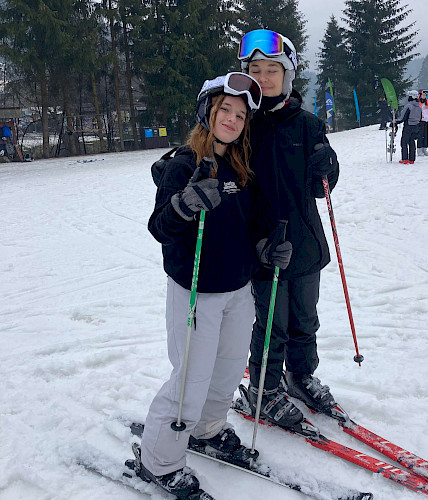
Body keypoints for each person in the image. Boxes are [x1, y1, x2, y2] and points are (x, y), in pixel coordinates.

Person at [139, 72, 292, 499]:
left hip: (237, 291)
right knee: (191, 380)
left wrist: (267, 250)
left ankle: (206, 430)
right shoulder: (183, 165)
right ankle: (159, 462)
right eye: (225, 109)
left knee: (225, 374)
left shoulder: (242, 169)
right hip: (195, 293)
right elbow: (159, 228)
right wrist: (183, 205)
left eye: (240, 115)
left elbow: (251, 227)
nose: (232, 120)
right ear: (207, 112)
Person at [237, 29, 342, 429]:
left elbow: (320, 187)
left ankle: (300, 375)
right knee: (271, 324)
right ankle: (264, 390)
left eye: (272, 70)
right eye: (255, 70)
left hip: (305, 241)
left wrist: (328, 167)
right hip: (265, 245)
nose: (263, 78)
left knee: (304, 318)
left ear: (287, 75)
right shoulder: (243, 124)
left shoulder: (308, 125)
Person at [394, 89, 422, 165]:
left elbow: (403, 118)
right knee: (412, 142)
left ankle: (405, 159)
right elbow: (420, 118)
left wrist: (395, 121)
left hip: (408, 126)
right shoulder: (419, 107)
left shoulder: (408, 106)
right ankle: (412, 159)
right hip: (416, 126)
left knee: (404, 142)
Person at [417, 89, 428, 156]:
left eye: (425, 95)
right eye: (423, 95)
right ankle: (419, 149)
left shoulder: (427, 102)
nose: (424, 96)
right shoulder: (418, 102)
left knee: (426, 134)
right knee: (420, 134)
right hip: (420, 120)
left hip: (426, 119)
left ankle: (424, 148)